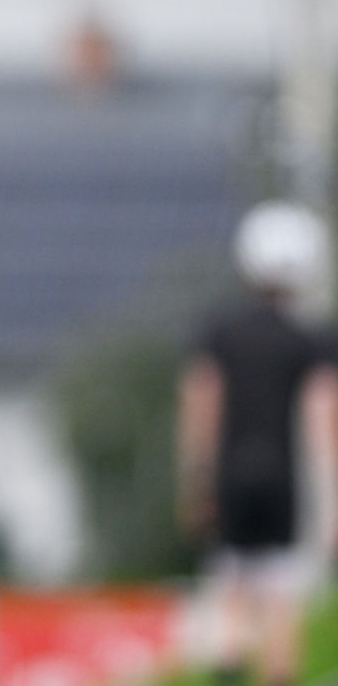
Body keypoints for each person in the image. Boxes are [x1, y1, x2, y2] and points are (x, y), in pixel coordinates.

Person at [176, 200, 338, 686]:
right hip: (283, 483)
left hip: (229, 479)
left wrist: (196, 483)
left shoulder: (220, 334)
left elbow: (201, 409)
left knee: (232, 589)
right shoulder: (310, 340)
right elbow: (322, 423)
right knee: (281, 597)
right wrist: (331, 504)